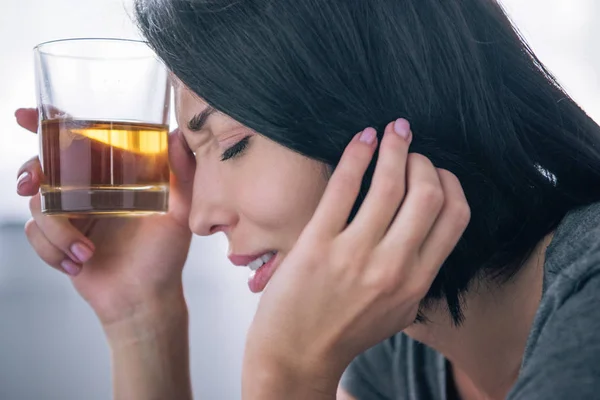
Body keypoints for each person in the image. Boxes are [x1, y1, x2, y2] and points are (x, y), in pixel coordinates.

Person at [15, 0, 600, 398]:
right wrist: (142, 316)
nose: (200, 217)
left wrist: (288, 375)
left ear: (381, 99)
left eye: (231, 144)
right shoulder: (397, 357)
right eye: (193, 156)